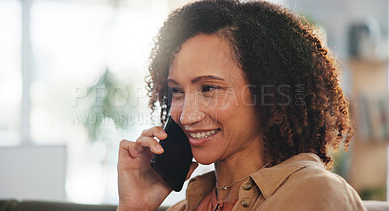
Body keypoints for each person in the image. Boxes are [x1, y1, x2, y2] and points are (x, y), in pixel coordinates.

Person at [117, 0, 367, 210]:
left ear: (267, 93)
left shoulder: (314, 195)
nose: (187, 116)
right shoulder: (186, 206)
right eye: (177, 91)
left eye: (208, 88)